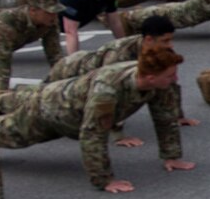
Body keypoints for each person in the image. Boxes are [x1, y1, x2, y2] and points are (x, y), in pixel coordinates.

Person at [0, 45, 192, 194]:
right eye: (170, 75)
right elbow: (93, 134)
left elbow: (165, 118)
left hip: (70, 97)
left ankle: (1, 100)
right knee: (8, 135)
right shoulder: (108, 90)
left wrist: (171, 156)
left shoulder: (159, 81)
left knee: (28, 98)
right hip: (55, 110)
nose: (175, 79)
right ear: (150, 78)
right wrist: (104, 180)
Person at [43, 13, 199, 125]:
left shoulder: (160, 52)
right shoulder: (119, 53)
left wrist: (176, 116)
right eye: (165, 40)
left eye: (170, 40)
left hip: (89, 75)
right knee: (46, 103)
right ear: (149, 39)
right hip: (69, 70)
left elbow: (168, 82)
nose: (170, 45)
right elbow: (109, 91)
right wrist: (118, 134)